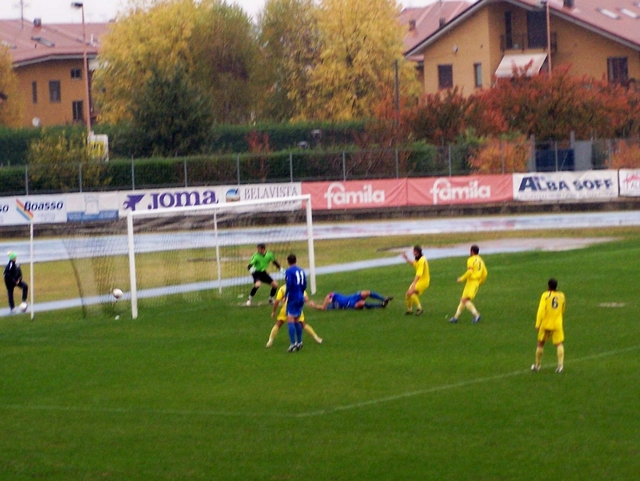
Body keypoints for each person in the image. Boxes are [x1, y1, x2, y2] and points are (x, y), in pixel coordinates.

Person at [531, 278, 566, 373]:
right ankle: (560, 366)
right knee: (559, 344)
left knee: (540, 343)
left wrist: (538, 324)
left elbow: (541, 310)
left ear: (548, 286)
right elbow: (563, 309)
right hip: (557, 323)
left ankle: (537, 365)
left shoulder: (545, 295)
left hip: (546, 323)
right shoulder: (562, 296)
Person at [449, 245, 487, 324]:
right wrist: (480, 283)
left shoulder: (470, 260)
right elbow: (485, 273)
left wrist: (461, 278)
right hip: (474, 282)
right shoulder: (481, 260)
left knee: (465, 300)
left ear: (472, 251)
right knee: (463, 300)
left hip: (472, 282)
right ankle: (455, 317)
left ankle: (477, 315)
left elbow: (470, 272)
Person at [284, 253, 306, 352]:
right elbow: (305, 284)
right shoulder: (301, 270)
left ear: (288, 261)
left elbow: (289, 283)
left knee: (290, 320)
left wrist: (286, 295)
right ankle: (300, 342)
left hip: (293, 297)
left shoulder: (288, 271)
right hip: (301, 296)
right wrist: (301, 293)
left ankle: (293, 344)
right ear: (296, 260)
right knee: (297, 319)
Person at [402, 245, 430, 316]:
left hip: (424, 281)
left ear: (417, 252)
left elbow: (419, 274)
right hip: (419, 281)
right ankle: (409, 310)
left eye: (414, 251)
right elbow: (414, 264)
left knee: (410, 293)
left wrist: (414, 283)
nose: (413, 253)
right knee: (408, 294)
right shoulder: (418, 258)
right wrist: (407, 259)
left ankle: (419, 309)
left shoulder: (422, 260)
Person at [309, 290, 393, 310]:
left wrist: (327, 300)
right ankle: (381, 305)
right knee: (362, 303)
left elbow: (329, 295)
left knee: (366, 292)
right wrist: (314, 306)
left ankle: (384, 298)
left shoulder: (334, 295)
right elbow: (323, 308)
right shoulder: (334, 306)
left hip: (351, 297)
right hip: (350, 305)